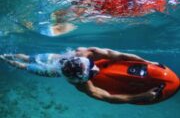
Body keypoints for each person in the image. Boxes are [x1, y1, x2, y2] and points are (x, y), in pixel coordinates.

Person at [0, 47, 163, 103]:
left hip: (52, 58)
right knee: (24, 64)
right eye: (92, 74)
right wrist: (140, 97)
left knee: (28, 60)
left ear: (86, 60)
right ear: (82, 80)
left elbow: (121, 56)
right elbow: (107, 97)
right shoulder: (80, 84)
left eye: (92, 67)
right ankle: (5, 58)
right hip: (51, 69)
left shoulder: (86, 53)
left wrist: (147, 62)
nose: (97, 70)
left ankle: (7, 56)